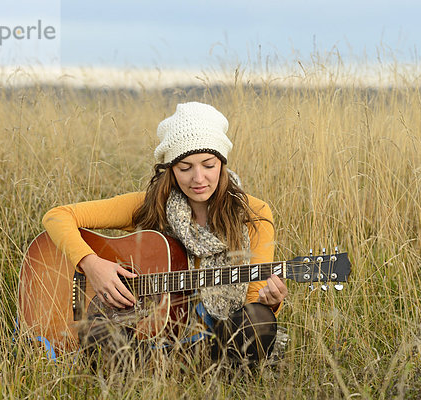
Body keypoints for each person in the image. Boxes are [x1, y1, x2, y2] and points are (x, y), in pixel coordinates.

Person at [42, 101, 288, 363]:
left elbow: (252, 303)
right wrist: (91, 265)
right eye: (185, 167)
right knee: (103, 334)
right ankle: (144, 368)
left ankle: (217, 377)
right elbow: (57, 216)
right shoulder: (148, 205)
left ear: (222, 164)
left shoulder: (253, 213)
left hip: (215, 337)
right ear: (170, 168)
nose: (198, 178)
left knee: (259, 320)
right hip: (149, 335)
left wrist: (271, 302)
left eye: (208, 165)